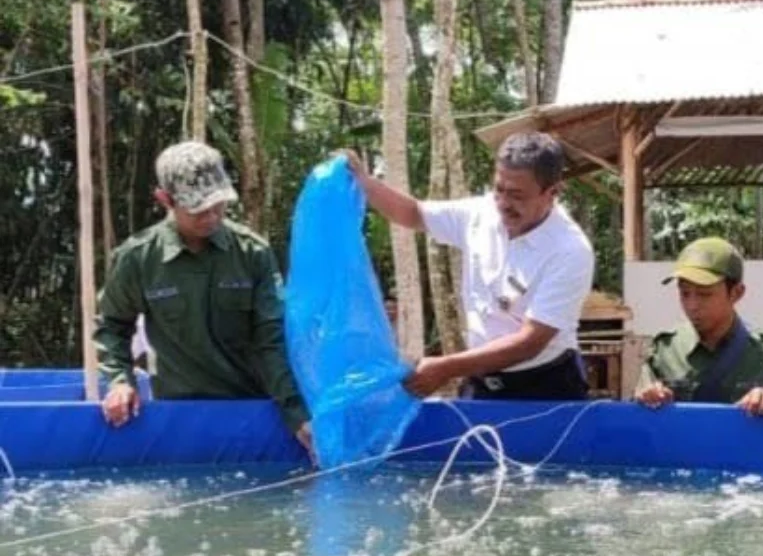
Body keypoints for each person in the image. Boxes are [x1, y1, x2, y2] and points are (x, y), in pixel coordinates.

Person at [93, 141, 313, 454]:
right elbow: (113, 324)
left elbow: (272, 340)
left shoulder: (252, 253)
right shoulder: (138, 259)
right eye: (198, 209)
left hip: (255, 410)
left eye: (219, 205)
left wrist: (296, 414)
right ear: (165, 199)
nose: (211, 217)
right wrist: (119, 381)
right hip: (180, 417)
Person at [343, 131, 595, 400]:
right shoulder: (480, 215)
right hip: (482, 379)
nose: (503, 204)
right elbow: (414, 213)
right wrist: (364, 183)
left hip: (545, 385)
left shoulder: (569, 250)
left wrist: (444, 368)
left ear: (553, 192)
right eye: (499, 189)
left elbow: (530, 342)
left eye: (517, 195)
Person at [636, 237, 763, 417]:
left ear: (736, 293)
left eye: (704, 294)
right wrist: (647, 397)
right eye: (684, 293)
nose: (692, 305)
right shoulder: (664, 350)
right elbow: (641, 424)